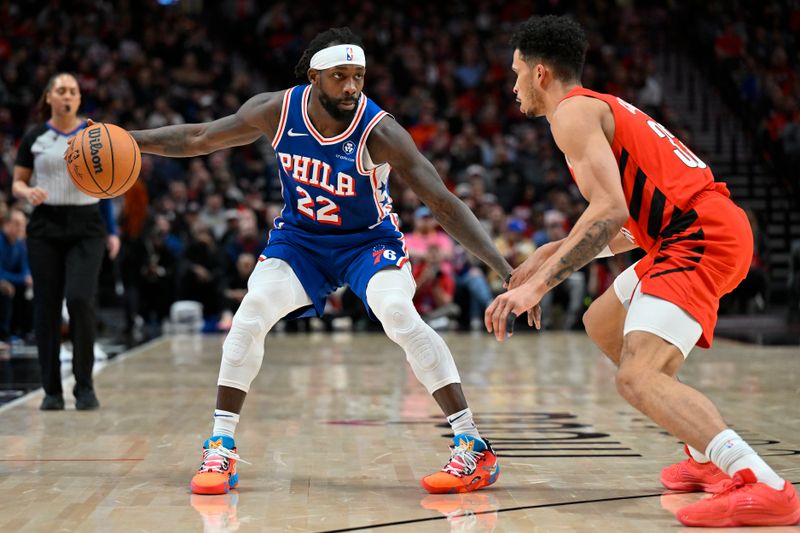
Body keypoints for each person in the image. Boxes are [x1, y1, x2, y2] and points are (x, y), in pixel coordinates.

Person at [120, 28, 511, 496]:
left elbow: (443, 202)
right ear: (315, 77)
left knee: (399, 315)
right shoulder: (276, 110)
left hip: (367, 242)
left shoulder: (379, 131)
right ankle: (220, 445)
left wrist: (503, 269)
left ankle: (473, 445)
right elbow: (200, 137)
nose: (351, 87)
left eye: (359, 77)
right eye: (340, 77)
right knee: (252, 311)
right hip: (302, 240)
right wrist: (127, 139)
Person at [486, 15, 800, 527]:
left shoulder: (571, 114)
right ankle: (703, 458)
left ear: (540, 73)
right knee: (602, 322)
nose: (513, 83)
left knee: (636, 376)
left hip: (701, 235)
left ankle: (764, 484)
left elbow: (609, 212)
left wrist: (538, 286)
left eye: (516, 72)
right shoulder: (596, 110)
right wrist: (551, 251)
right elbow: (629, 225)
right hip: (689, 230)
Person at [13, 73, 120, 411]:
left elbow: (108, 185)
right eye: (60, 91)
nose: (67, 96)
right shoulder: (35, 137)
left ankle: (84, 387)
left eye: (72, 91)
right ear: (49, 97)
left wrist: (112, 230)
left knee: (79, 300)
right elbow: (17, 182)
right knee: (45, 307)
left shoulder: (93, 135)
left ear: (78, 98)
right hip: (45, 225)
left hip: (87, 225)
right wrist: (27, 191)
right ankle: (51, 391)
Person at [0, 209, 32, 342]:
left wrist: (28, 278)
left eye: (23, 224)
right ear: (6, 225)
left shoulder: (19, 244)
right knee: (6, 288)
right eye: (18, 224)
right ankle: (3, 335)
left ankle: (26, 332)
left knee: (31, 289)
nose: (22, 228)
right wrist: (21, 279)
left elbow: (25, 269)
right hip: (3, 281)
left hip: (11, 281)